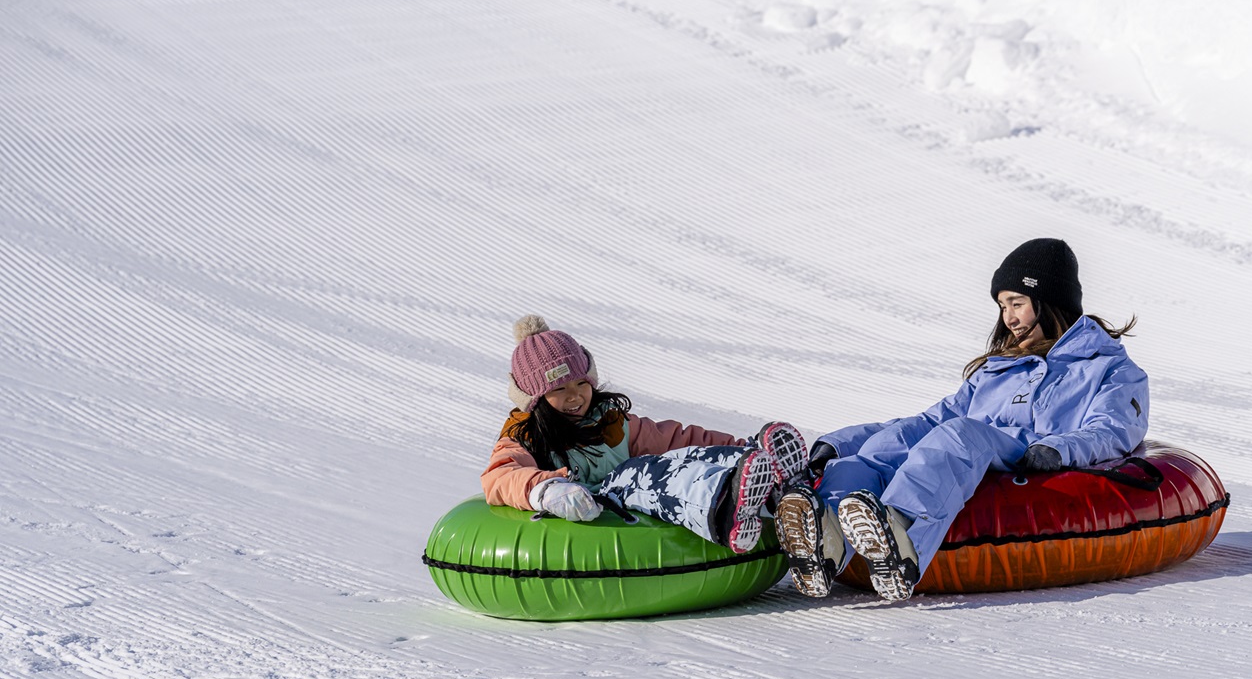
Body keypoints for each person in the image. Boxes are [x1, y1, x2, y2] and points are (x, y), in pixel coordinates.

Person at [775, 238, 1149, 601]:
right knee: (894, 442)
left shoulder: (1109, 367)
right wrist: (846, 441)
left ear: (1048, 301)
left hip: (1031, 451)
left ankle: (901, 533)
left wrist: (1057, 448)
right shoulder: (1001, 366)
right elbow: (935, 417)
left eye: (1016, 303)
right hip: (975, 442)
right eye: (1003, 307)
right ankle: (827, 534)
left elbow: (1113, 429)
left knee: (960, 434)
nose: (1009, 318)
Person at [482, 315, 809, 553]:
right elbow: (500, 476)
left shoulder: (609, 421)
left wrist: (739, 445)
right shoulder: (523, 434)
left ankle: (762, 471)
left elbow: (679, 441)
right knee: (635, 474)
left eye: (582, 383)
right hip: (596, 509)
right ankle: (723, 509)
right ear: (534, 399)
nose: (575, 396)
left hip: (628, 501)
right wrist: (546, 489)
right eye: (559, 389)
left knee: (679, 457)